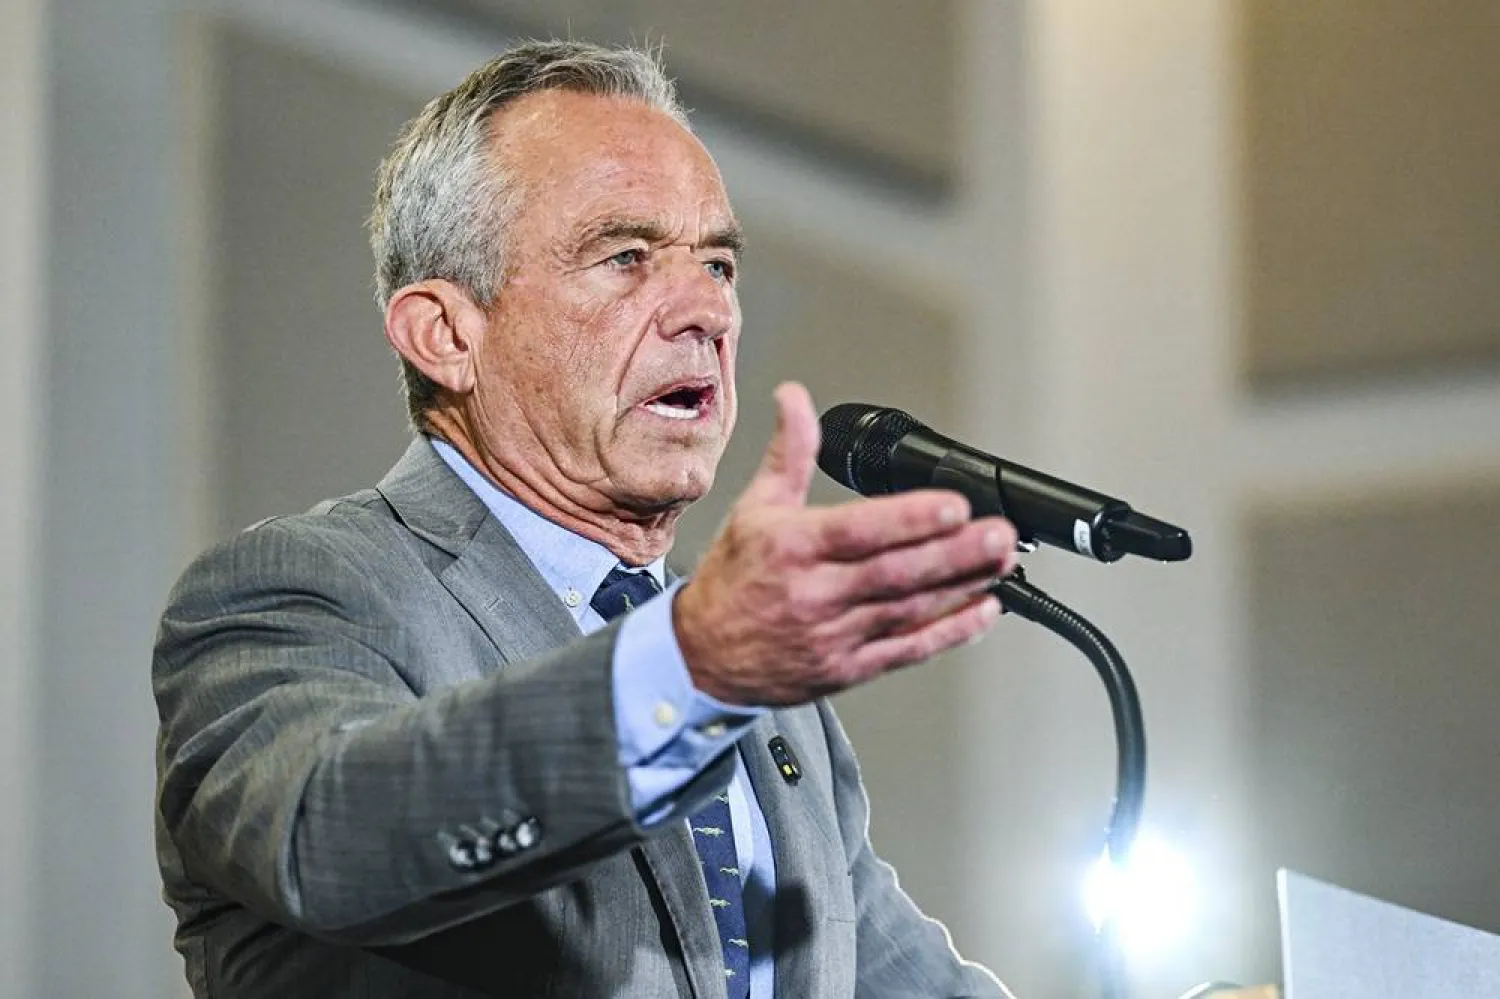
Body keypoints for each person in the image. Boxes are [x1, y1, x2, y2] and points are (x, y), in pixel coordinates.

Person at [153, 39, 1019, 998]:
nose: (709, 311)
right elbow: (336, 834)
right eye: (625, 256)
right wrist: (690, 668)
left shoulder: (770, 697)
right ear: (446, 333)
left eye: (720, 266)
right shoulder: (300, 593)